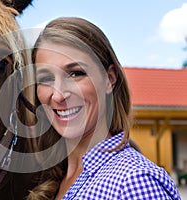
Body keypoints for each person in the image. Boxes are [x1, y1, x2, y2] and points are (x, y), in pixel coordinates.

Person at [27, 17, 181, 200]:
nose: (59, 95)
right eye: (45, 78)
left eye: (76, 73)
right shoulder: (53, 179)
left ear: (110, 79)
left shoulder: (133, 182)